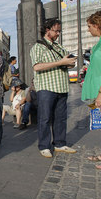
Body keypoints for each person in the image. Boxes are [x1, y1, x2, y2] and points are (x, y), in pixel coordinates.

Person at [30, 19, 77, 158]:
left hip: (62, 86)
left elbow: (68, 63)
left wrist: (69, 63)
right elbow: (37, 66)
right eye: (56, 31)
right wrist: (61, 62)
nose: (58, 33)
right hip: (46, 87)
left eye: (59, 31)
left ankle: (60, 143)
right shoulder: (38, 47)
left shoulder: (60, 47)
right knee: (44, 118)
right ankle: (44, 146)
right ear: (47, 30)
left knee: (60, 118)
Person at [82, 11, 101, 169]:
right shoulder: (99, 43)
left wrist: (100, 93)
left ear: (97, 25)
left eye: (90, 26)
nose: (88, 30)